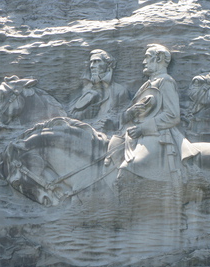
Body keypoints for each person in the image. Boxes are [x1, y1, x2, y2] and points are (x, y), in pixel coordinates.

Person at [107, 44, 199, 183]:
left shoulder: (165, 81)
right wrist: (130, 113)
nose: (144, 62)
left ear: (160, 58)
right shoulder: (147, 84)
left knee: (129, 168)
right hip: (136, 135)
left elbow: (172, 116)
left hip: (158, 136)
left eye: (148, 57)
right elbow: (134, 114)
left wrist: (142, 129)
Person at [70, 49, 129, 133]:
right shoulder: (86, 90)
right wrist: (86, 112)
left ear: (108, 65)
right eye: (91, 62)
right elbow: (73, 115)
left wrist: (111, 123)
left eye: (97, 61)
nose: (92, 66)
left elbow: (125, 116)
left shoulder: (119, 91)